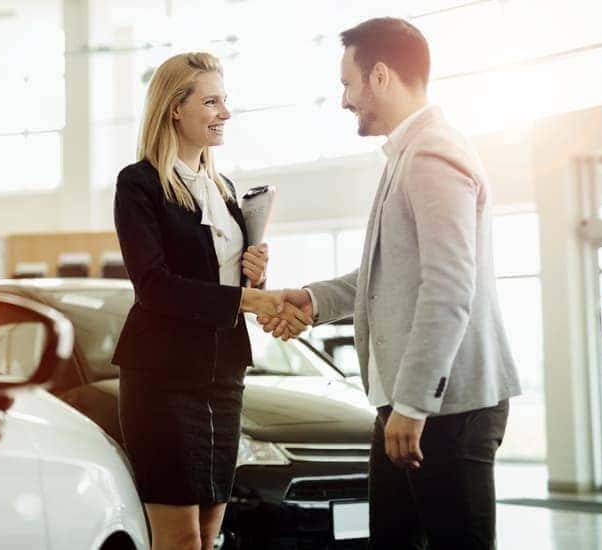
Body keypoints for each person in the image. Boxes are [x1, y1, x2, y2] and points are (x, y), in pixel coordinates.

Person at [260, 18, 522, 549]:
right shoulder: (407, 153)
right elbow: (389, 276)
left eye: (347, 84)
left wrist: (413, 404)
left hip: (445, 410)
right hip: (412, 405)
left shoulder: (431, 154)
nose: (344, 101)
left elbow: (448, 286)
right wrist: (313, 301)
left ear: (379, 77)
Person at [112, 52, 309, 550]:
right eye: (211, 101)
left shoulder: (223, 189)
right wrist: (245, 299)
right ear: (175, 108)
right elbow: (152, 285)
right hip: (163, 381)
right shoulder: (140, 184)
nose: (225, 113)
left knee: (207, 535)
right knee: (179, 540)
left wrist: (255, 276)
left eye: (226, 101)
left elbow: (229, 284)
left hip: (224, 378)